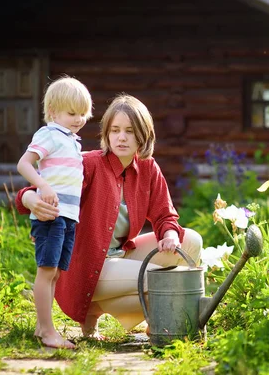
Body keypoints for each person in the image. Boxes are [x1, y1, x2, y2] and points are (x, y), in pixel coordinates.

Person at [16, 93, 202, 342]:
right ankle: (109, 309)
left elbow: (164, 215)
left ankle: (145, 316)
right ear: (106, 133)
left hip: (121, 255)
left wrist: (169, 233)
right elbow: (44, 187)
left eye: (129, 131)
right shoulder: (89, 164)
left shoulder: (148, 168)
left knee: (190, 241)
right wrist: (28, 199)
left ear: (143, 135)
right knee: (160, 278)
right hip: (87, 264)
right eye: (115, 130)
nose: (121, 137)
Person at [17, 76, 93, 349]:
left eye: (83, 113)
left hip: (67, 217)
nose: (79, 119)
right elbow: (24, 164)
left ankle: (42, 326)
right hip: (51, 215)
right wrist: (42, 185)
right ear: (52, 112)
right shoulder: (49, 134)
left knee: (56, 273)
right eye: (72, 113)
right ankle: (48, 332)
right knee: (46, 271)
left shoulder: (72, 140)